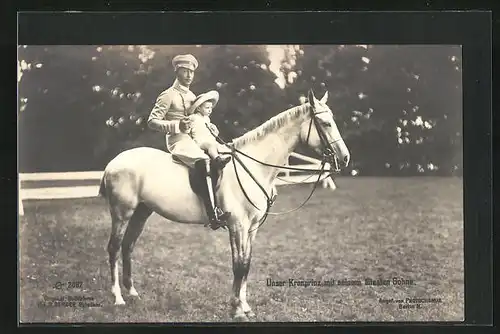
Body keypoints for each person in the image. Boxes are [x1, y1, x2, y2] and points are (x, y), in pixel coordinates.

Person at [147, 54, 230, 230]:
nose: (189, 75)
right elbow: (152, 121)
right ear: (177, 71)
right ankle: (212, 214)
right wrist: (176, 125)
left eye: (191, 72)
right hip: (178, 140)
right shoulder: (168, 95)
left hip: (195, 139)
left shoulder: (193, 96)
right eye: (185, 71)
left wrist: (210, 129)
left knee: (223, 155)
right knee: (204, 161)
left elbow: (200, 120)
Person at [187, 90, 232, 169]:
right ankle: (217, 160)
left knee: (221, 146)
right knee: (210, 145)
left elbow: (211, 132)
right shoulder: (193, 117)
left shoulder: (207, 119)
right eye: (207, 108)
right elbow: (187, 129)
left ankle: (227, 159)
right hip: (200, 141)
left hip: (210, 140)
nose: (210, 110)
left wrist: (214, 132)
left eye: (211, 108)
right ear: (198, 108)